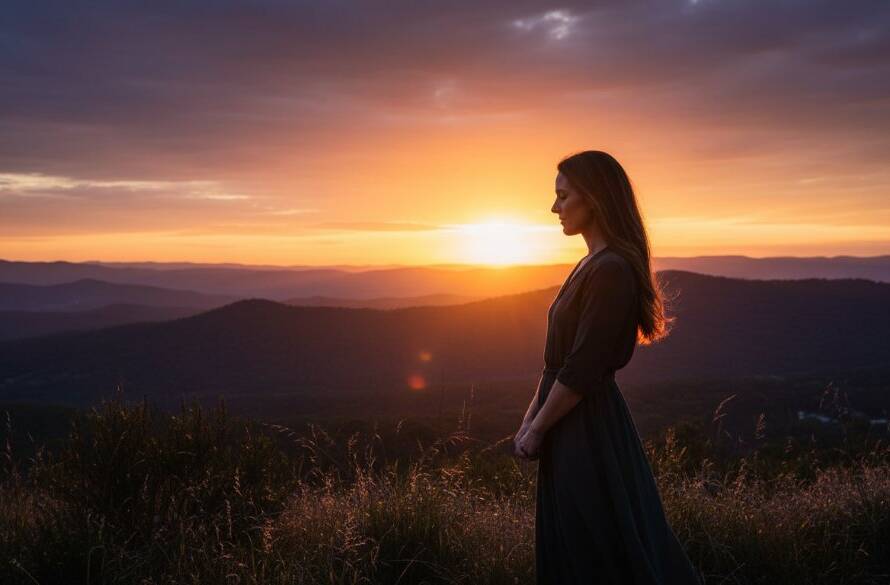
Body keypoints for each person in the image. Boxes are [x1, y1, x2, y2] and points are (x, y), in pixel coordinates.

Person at [513, 150, 701, 584]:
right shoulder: (589, 265)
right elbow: (556, 364)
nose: (554, 208)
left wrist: (539, 428)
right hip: (569, 424)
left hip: (588, 431)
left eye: (563, 197)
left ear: (592, 200)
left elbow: (582, 368)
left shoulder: (610, 270)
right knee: (579, 544)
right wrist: (530, 422)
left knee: (598, 549)